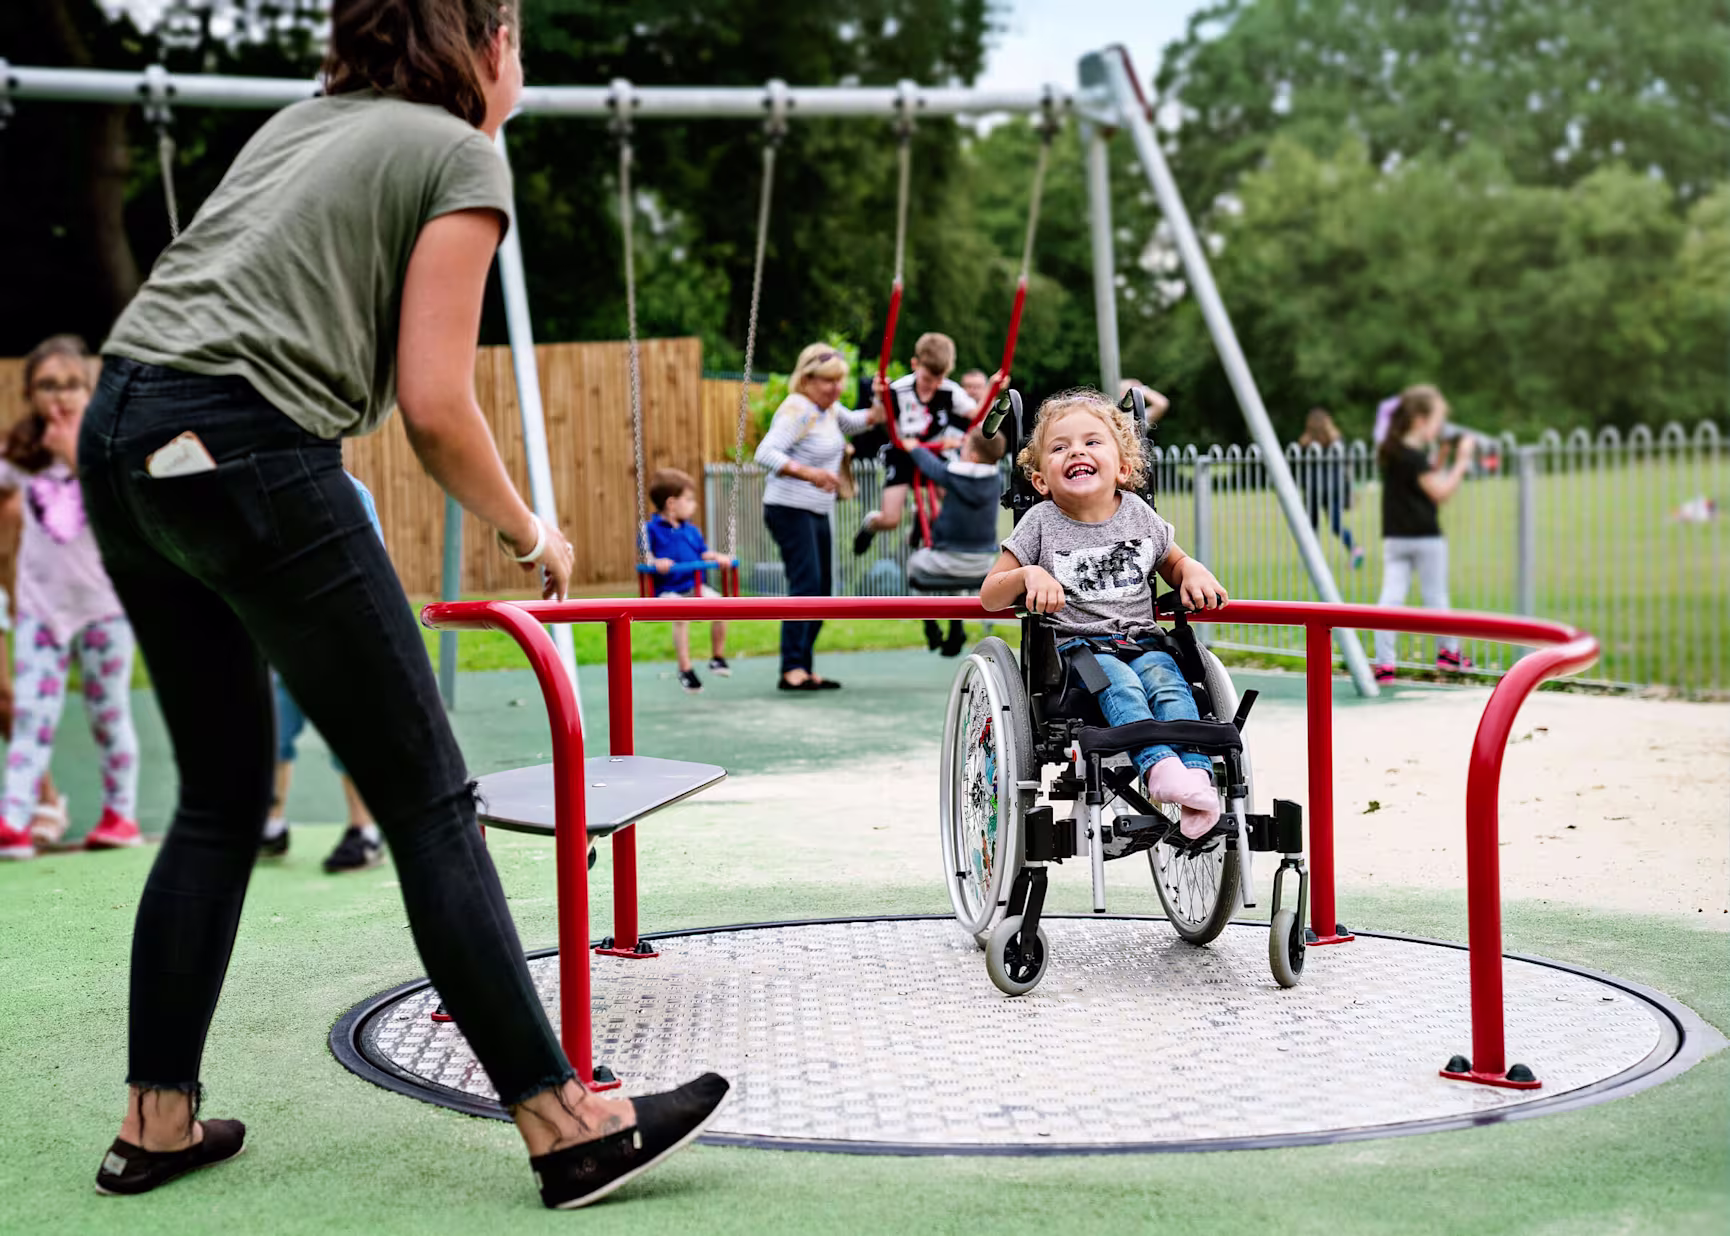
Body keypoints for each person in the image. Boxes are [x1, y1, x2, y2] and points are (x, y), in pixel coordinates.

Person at [79, 0, 725, 1209]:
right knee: (431, 802)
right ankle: (565, 1122)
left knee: (219, 801)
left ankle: (154, 1122)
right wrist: (533, 529)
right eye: (516, 39)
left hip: (121, 437)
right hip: (245, 448)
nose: (519, 65)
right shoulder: (459, 152)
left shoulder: (303, 121)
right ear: (484, 46)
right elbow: (434, 404)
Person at [980, 388, 1228, 839]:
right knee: (1123, 683)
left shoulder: (1138, 513)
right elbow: (991, 595)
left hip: (1143, 639)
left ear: (1124, 469)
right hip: (1079, 651)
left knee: (1167, 681)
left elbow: (1171, 561)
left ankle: (1195, 776)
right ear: (1040, 480)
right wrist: (1030, 575)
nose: (1076, 450)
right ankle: (1159, 768)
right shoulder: (1039, 522)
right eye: (1060, 447)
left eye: (1092, 442)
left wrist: (1190, 570)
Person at [0, 335, 141, 861]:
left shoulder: (108, 446)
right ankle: (14, 818)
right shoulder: (21, 455)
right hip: (41, 609)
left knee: (109, 712)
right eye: (46, 386)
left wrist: (73, 453)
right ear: (30, 394)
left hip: (105, 607)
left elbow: (124, 503)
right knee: (34, 712)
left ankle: (120, 813)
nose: (59, 395)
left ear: (90, 389)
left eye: (71, 385)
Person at [258, 472, 389, 872]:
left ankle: (365, 830)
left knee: (347, 735)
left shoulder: (348, 492)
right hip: (280, 636)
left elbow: (372, 567)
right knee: (273, 729)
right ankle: (270, 825)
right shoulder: (261, 489)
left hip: (338, 635)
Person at [755, 343, 881, 690]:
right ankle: (791, 668)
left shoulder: (827, 409)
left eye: (840, 381)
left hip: (815, 510)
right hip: (789, 508)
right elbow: (764, 453)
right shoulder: (798, 409)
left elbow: (858, 421)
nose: (836, 388)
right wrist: (810, 473)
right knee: (806, 586)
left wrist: (880, 404)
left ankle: (804, 666)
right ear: (807, 379)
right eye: (829, 382)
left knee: (822, 592)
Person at [1372, 384, 1475, 684]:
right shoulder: (1413, 457)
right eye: (1437, 420)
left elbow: (1421, 481)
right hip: (1425, 537)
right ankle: (1449, 653)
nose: (1440, 427)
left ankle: (1384, 664)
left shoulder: (1393, 451)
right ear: (1419, 420)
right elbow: (1439, 492)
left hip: (1396, 538)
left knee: (1390, 600)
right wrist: (1462, 461)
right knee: (1436, 597)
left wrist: (1441, 456)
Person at [852, 332, 976, 556]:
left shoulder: (949, 391)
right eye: (928, 379)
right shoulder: (899, 390)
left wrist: (991, 395)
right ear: (915, 364)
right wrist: (879, 397)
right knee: (890, 519)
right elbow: (877, 417)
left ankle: (923, 523)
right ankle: (871, 523)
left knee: (949, 496)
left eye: (939, 380)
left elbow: (976, 414)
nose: (933, 386)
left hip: (933, 452)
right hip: (903, 452)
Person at [904, 424, 1007, 657]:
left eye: (963, 447)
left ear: (971, 455)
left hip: (946, 557)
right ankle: (956, 626)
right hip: (983, 562)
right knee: (956, 582)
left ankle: (930, 624)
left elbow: (933, 468)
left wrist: (915, 448)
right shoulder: (995, 477)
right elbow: (963, 465)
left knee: (914, 564)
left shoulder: (954, 475)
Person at [643, 467, 732, 693]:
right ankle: (685, 669)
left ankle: (717, 657)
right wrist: (656, 562)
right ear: (672, 504)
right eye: (689, 499)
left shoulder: (692, 530)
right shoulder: (650, 530)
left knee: (722, 605)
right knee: (681, 615)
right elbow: (646, 556)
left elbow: (704, 553)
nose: (695, 505)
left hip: (694, 587)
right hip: (667, 591)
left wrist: (717, 557)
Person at [1296, 407, 1364, 568]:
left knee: (1316, 526)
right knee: (1329, 525)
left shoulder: (1310, 443)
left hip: (1321, 488)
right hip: (1329, 488)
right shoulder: (1332, 441)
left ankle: (1313, 558)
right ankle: (1353, 550)